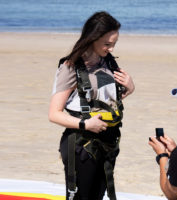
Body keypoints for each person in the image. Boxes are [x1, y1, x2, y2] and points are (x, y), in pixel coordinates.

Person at [48, 11, 135, 200]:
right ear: (92, 38)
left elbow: (108, 103)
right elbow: (54, 114)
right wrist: (86, 124)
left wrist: (129, 87)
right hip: (81, 145)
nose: (111, 48)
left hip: (108, 142)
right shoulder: (70, 67)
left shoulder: (107, 61)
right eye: (107, 44)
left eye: (114, 44)